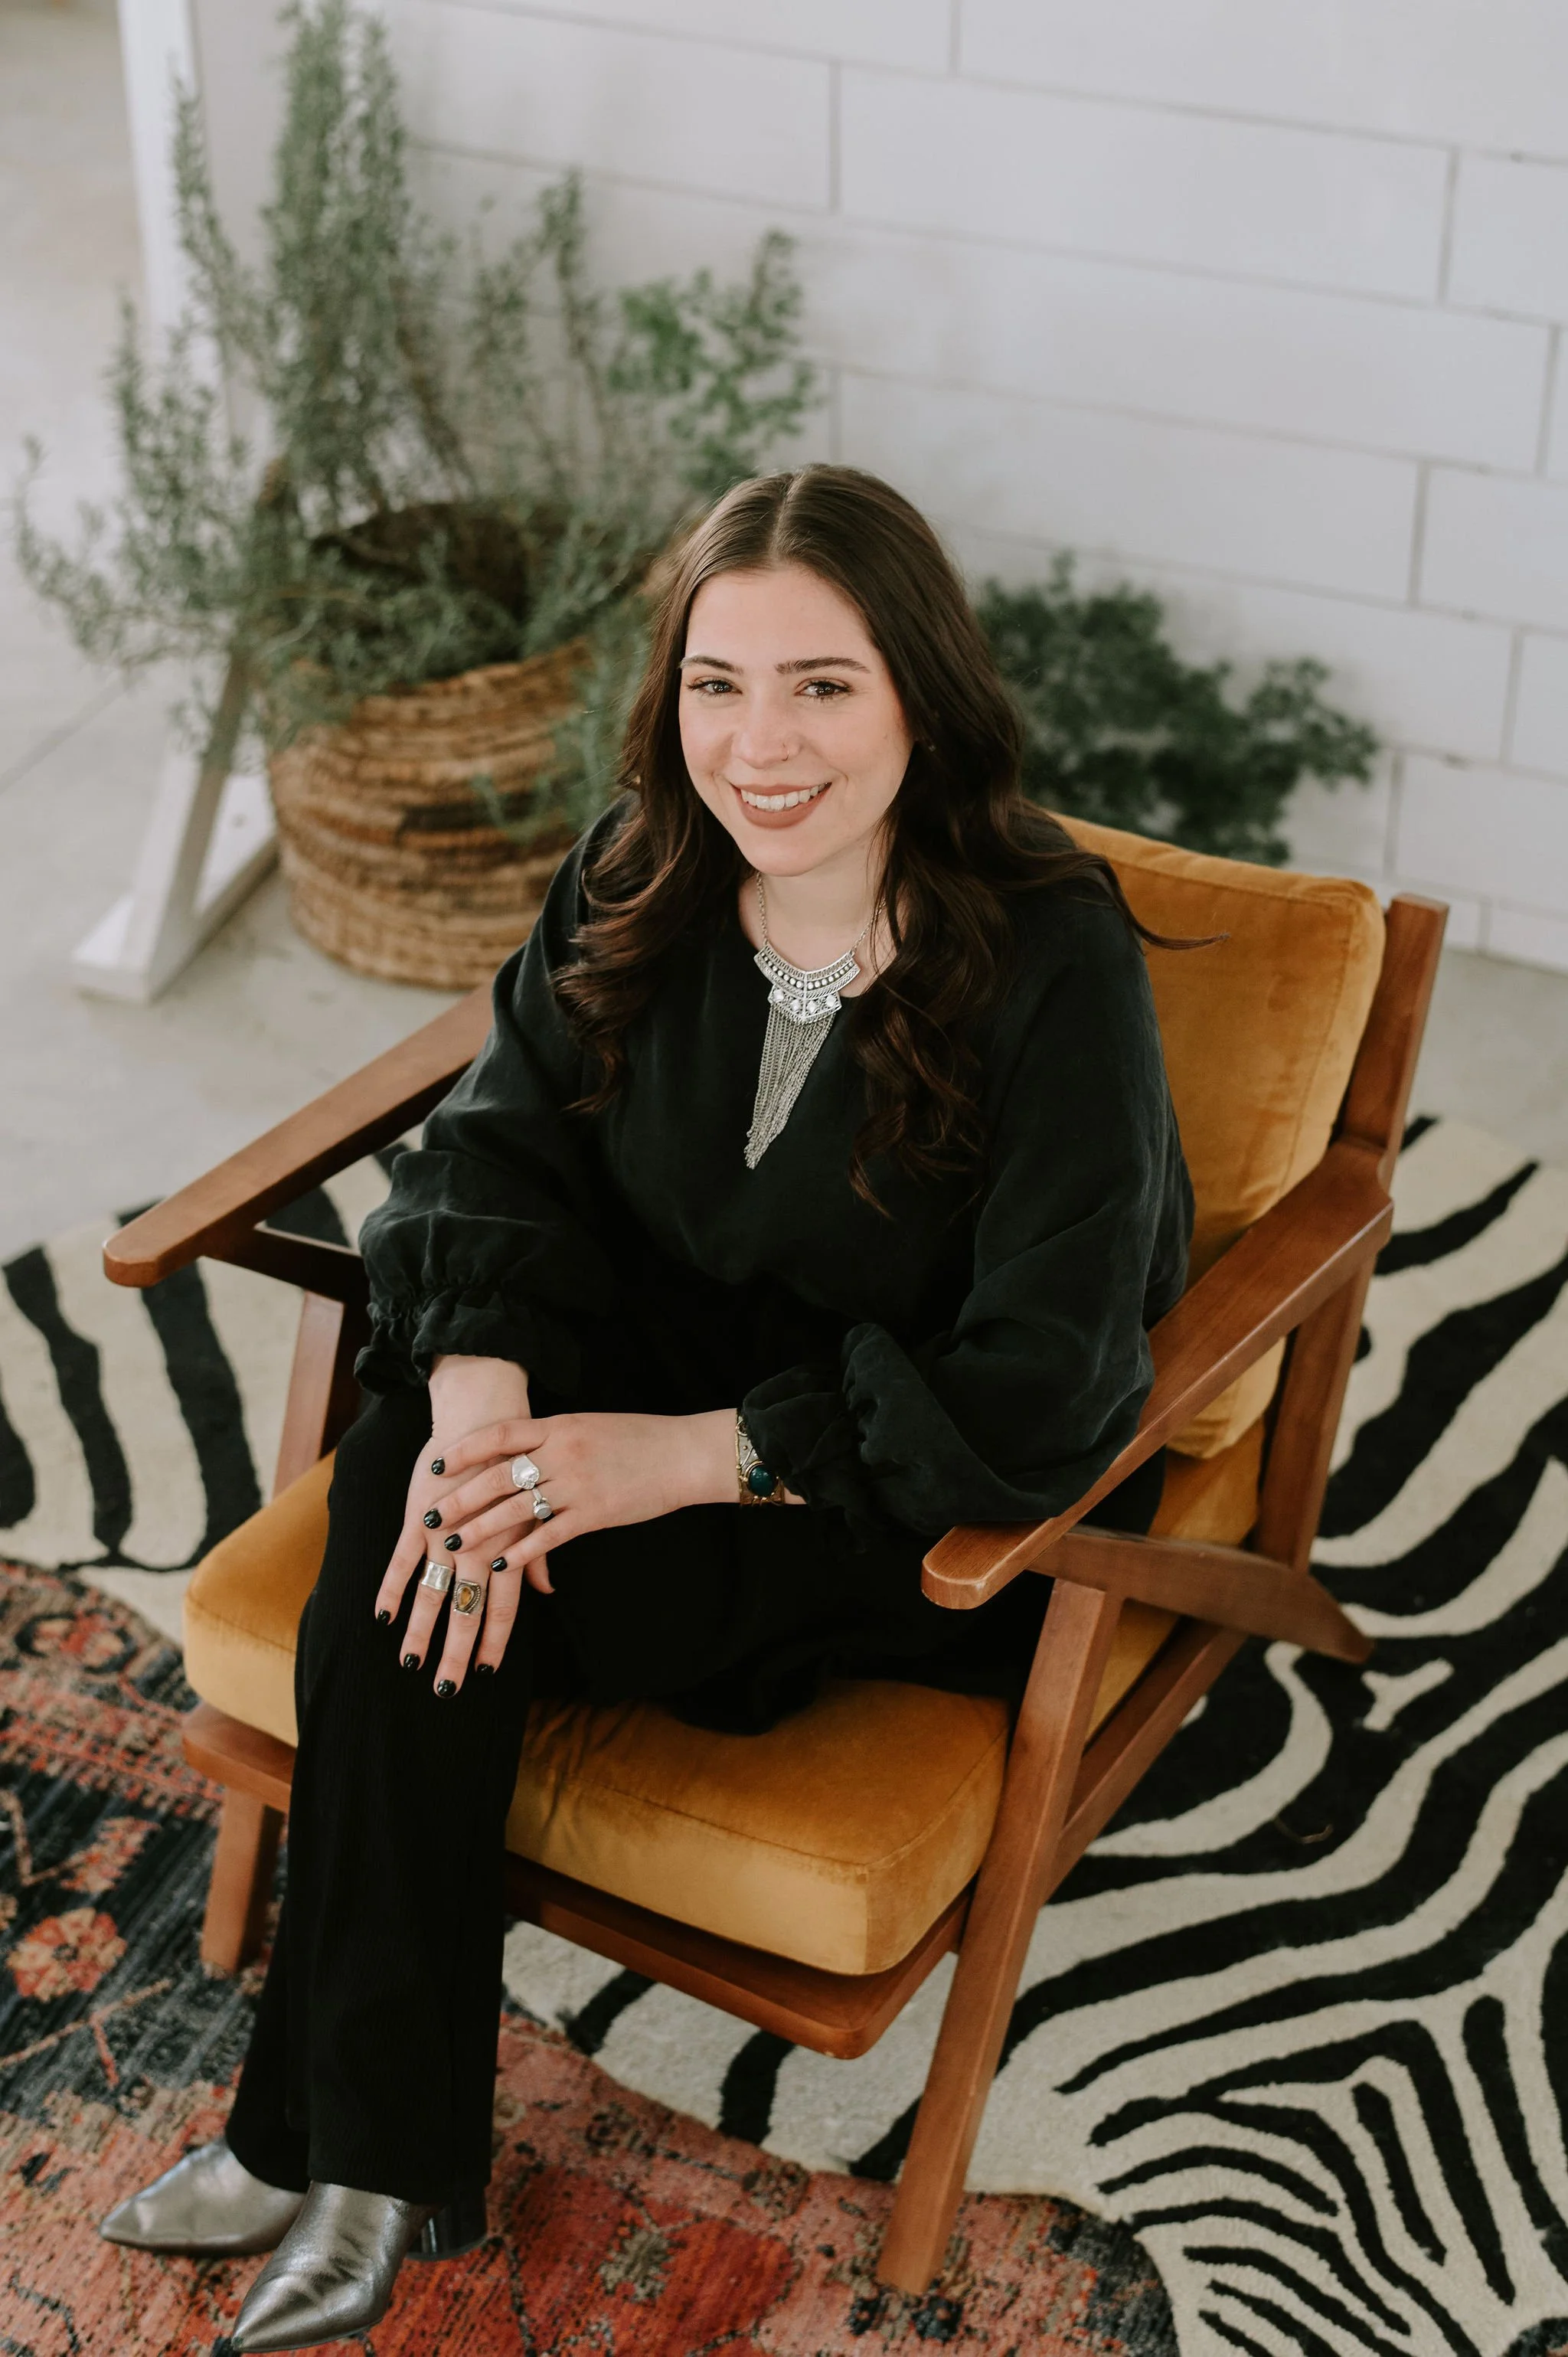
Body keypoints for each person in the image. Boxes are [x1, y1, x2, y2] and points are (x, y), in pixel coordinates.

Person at [99, 466, 1193, 2351]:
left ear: (919, 696)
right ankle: (353, 2162)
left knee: (417, 1581)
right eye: (716, 683)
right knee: (421, 1501)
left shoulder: (1050, 959)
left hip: (877, 1501)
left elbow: (1051, 1373)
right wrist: (478, 1400)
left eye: (821, 687)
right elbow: (492, 1155)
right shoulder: (641, 866)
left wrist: (678, 1460)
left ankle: (330, 2147)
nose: (758, 747)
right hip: (631, 1393)